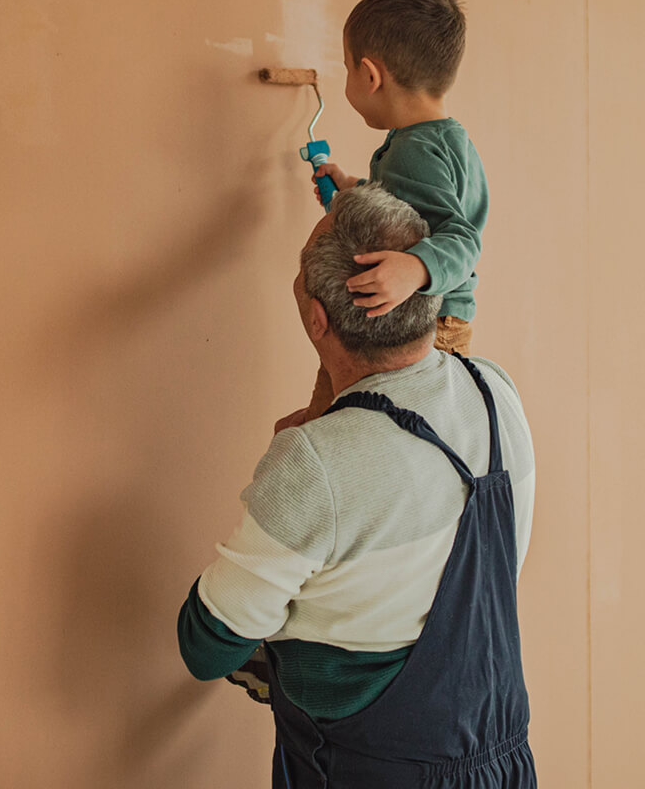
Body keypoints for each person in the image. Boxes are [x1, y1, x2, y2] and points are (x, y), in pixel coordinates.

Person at [177, 184, 536, 787]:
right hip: (502, 758)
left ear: (317, 320)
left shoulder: (315, 463)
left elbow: (207, 646)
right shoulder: (493, 392)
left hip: (368, 770)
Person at [304, 0, 487, 421]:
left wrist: (416, 267)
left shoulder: (413, 150)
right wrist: (354, 188)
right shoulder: (442, 138)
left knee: (372, 419)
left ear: (370, 75)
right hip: (430, 318)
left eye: (347, 68)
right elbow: (408, 210)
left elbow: (461, 238)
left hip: (430, 326)